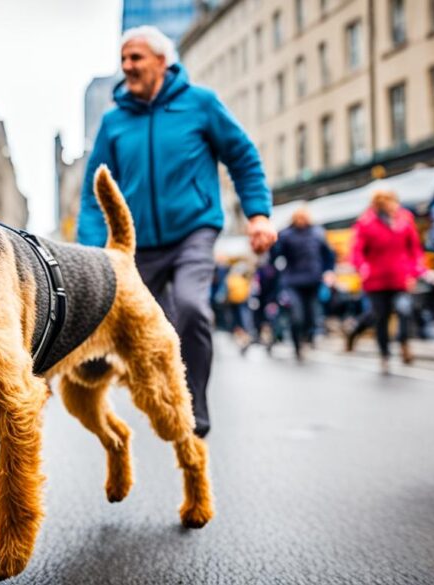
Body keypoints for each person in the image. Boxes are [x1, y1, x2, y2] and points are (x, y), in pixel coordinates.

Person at [77, 26, 277, 438]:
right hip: (135, 246)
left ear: (162, 62)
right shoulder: (114, 121)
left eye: (137, 58)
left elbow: (242, 157)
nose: (128, 66)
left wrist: (257, 214)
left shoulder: (200, 104)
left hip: (193, 232)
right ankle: (100, 372)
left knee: (190, 306)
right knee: (105, 323)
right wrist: (91, 251)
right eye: (124, 59)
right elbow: (92, 190)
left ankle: (194, 404)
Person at [345, 189, 424, 371]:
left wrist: (414, 271)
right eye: (389, 202)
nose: (394, 205)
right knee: (381, 316)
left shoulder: (405, 219)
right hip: (376, 280)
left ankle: (404, 343)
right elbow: (357, 251)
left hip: (400, 277)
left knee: (405, 311)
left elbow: (414, 248)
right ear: (380, 204)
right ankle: (384, 354)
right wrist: (362, 267)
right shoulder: (366, 222)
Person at [272, 207, 335, 360]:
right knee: (296, 315)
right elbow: (274, 256)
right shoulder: (286, 234)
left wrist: (329, 271)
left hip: (313, 281)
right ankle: (297, 345)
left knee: (312, 316)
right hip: (293, 282)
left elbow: (329, 255)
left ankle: (307, 338)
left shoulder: (317, 233)